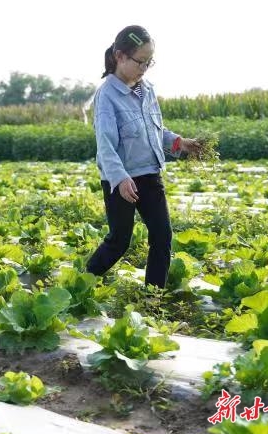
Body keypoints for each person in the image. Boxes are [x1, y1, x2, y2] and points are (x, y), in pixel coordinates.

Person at [86, 25, 202, 287]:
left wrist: (180, 143)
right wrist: (120, 178)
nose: (144, 68)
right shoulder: (107, 96)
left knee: (162, 237)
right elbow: (105, 145)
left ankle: (153, 298)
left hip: (150, 174)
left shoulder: (146, 89)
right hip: (121, 182)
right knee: (119, 241)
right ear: (120, 56)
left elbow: (154, 131)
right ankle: (82, 283)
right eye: (140, 61)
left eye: (149, 62)